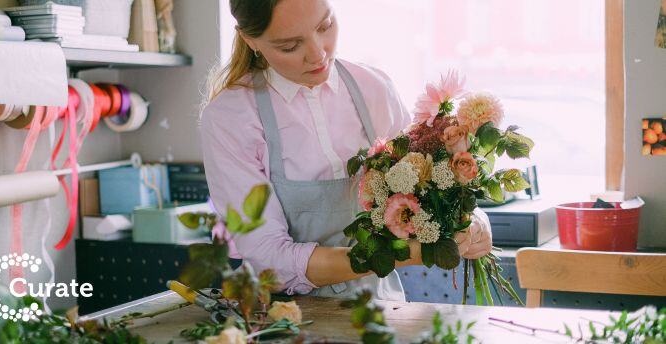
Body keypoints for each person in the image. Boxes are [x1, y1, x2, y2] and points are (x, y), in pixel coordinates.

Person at [200, 0, 492, 301]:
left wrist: (472, 222)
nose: (318, 53)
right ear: (250, 40)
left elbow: (428, 187)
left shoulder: (373, 88)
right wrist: (401, 255)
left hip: (380, 311)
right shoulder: (230, 118)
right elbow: (270, 261)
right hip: (281, 319)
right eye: (290, 46)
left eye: (324, 26)